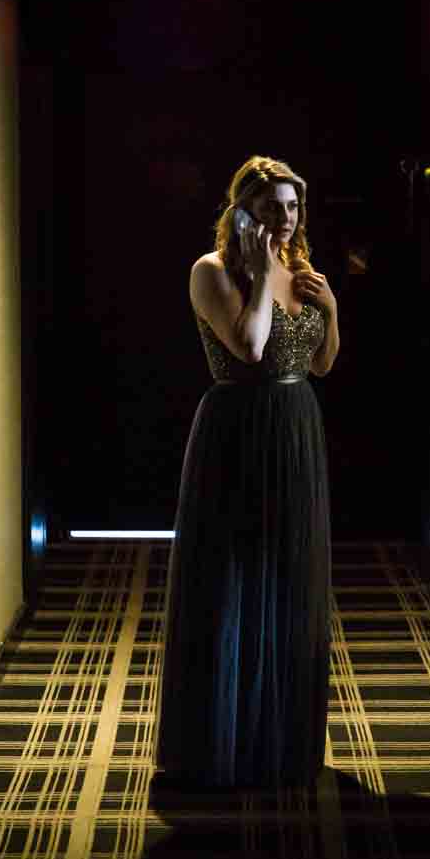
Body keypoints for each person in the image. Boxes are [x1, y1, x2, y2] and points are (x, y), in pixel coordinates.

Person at [153, 154, 340, 791]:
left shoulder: (299, 268)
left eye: (292, 207)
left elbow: (321, 365)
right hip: (238, 431)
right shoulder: (211, 272)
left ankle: (281, 741)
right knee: (234, 578)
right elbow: (252, 348)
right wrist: (260, 277)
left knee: (290, 578)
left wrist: (332, 309)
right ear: (242, 211)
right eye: (270, 208)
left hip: (295, 426)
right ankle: (221, 744)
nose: (284, 220)